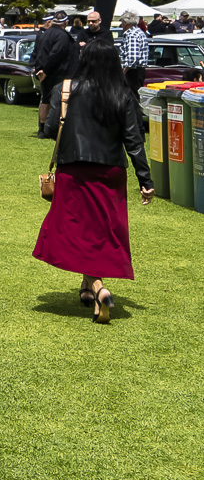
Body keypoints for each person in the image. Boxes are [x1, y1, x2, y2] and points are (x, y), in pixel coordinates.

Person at [32, 39, 155, 323]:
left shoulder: (65, 88)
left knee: (74, 230)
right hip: (110, 172)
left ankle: (98, 287)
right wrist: (145, 179)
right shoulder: (123, 94)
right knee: (100, 231)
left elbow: (49, 129)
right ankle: (87, 287)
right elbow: (134, 140)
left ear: (84, 60)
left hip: (74, 169)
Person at [33, 10, 79, 135]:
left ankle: (42, 128)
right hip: (58, 73)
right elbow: (56, 54)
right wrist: (45, 71)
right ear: (66, 22)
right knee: (60, 101)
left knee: (45, 100)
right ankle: (56, 128)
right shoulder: (62, 36)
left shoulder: (44, 33)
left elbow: (38, 53)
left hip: (44, 72)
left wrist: (40, 69)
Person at [118, 11, 149, 95]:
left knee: (131, 97)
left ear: (125, 23)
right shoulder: (138, 32)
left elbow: (132, 57)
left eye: (122, 22)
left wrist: (124, 71)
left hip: (133, 72)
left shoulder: (131, 35)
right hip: (137, 70)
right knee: (135, 96)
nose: (121, 25)